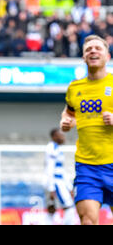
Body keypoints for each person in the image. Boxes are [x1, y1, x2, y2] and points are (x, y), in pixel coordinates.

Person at [60, 34, 113, 225]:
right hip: (87, 167)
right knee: (87, 220)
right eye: (88, 49)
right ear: (83, 57)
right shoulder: (75, 87)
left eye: (98, 48)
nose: (93, 51)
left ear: (107, 56)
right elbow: (68, 113)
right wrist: (66, 121)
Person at [44, 128, 77, 225]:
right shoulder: (51, 148)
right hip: (55, 182)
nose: (63, 137)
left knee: (52, 209)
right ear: (54, 137)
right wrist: (51, 188)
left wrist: (69, 187)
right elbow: (50, 168)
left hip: (57, 182)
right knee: (69, 206)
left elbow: (61, 170)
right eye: (61, 135)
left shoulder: (57, 148)